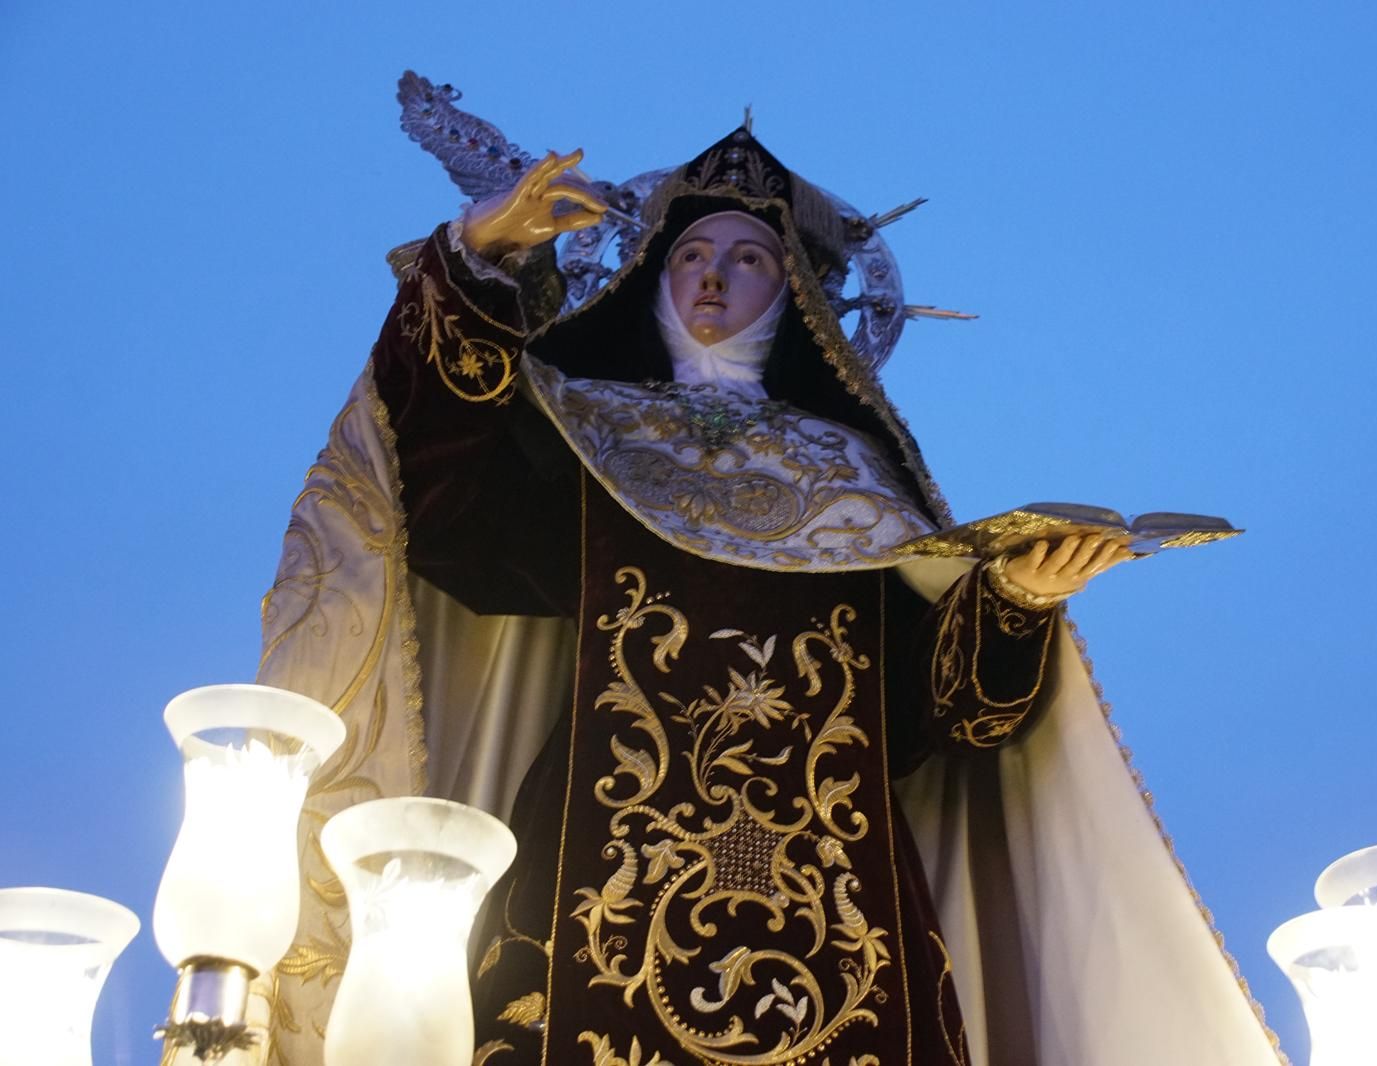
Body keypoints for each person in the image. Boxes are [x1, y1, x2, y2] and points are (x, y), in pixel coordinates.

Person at [255, 125, 1286, 1066]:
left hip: (837, 888)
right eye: (691, 256)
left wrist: (1013, 600)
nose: (712, 280)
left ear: (790, 290)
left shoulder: (857, 470)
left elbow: (940, 717)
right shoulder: (586, 430)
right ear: (653, 278)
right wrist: (476, 267)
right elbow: (441, 511)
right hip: (601, 856)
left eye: (746, 258)